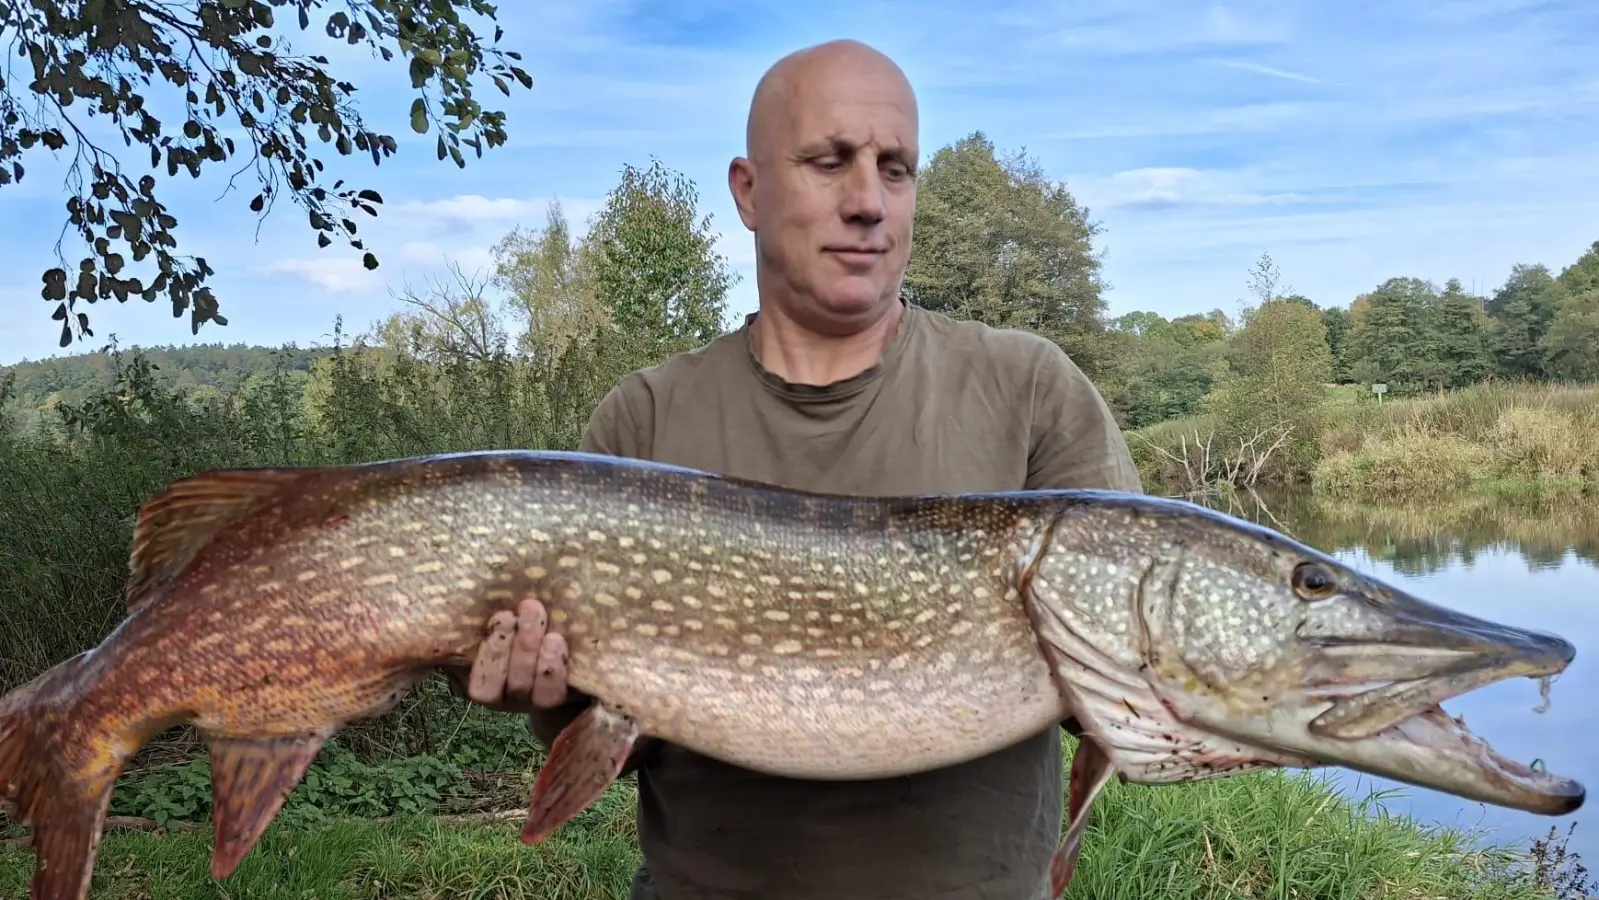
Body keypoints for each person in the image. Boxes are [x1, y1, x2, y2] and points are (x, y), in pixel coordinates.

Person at [453, 38, 1141, 900]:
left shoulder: (1030, 389)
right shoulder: (644, 416)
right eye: (828, 162)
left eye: (896, 169)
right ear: (747, 191)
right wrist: (536, 691)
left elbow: (1126, 678)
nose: (868, 203)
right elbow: (600, 722)